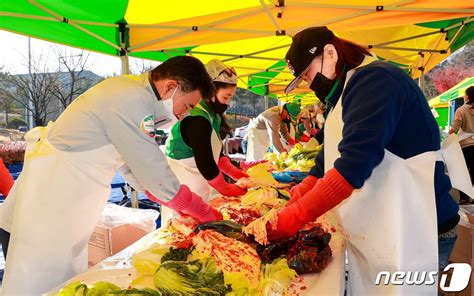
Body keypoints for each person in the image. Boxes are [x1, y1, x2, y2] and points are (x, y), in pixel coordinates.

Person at [0, 56, 222, 295]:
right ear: (170, 86)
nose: (183, 115)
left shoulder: (136, 97)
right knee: (38, 281)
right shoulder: (130, 99)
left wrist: (170, 201)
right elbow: (150, 166)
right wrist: (199, 209)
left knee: (59, 280)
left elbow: (133, 165)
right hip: (49, 204)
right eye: (187, 106)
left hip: (66, 204)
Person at [267, 26, 461, 294]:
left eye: (308, 74)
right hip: (388, 225)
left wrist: (296, 215)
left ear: (330, 54)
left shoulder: (376, 80)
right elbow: (333, 151)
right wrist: (308, 183)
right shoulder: (345, 91)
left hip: (420, 227)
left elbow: (353, 164)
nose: (309, 85)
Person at [163, 60, 249, 224]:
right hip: (184, 182)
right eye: (226, 97)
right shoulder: (197, 117)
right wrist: (227, 188)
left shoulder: (212, 115)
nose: (227, 103)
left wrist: (236, 174)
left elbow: (216, 153)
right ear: (211, 91)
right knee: (183, 226)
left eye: (230, 97)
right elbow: (206, 164)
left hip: (200, 182)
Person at [449, 86, 474, 204]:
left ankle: (464, 198)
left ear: (468, 96)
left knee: (462, 172)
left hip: (465, 146)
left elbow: (455, 127)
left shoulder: (461, 110)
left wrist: (448, 136)